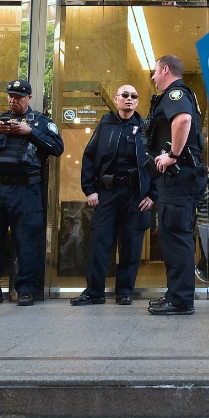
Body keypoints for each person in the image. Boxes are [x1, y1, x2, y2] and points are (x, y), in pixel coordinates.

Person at [0, 78, 64, 307]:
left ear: (29, 98)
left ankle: (27, 289)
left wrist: (30, 132)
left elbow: (57, 148)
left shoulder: (40, 122)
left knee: (27, 240)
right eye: (10, 96)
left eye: (18, 97)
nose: (13, 100)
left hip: (25, 189)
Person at [70, 85, 156, 307]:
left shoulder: (146, 128)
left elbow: (156, 163)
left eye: (133, 96)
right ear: (116, 99)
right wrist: (90, 189)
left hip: (135, 195)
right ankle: (94, 292)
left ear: (137, 102)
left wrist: (152, 194)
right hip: (107, 193)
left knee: (131, 245)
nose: (129, 99)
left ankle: (124, 292)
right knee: (100, 243)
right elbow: (89, 156)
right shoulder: (105, 124)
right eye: (124, 95)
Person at [144, 55, 207, 316]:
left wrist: (173, 155)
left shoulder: (175, 94)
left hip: (180, 180)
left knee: (178, 239)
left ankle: (181, 300)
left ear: (166, 69)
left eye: (155, 72)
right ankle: (175, 294)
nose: (153, 78)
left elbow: (182, 120)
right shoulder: (180, 95)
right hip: (179, 181)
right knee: (172, 238)